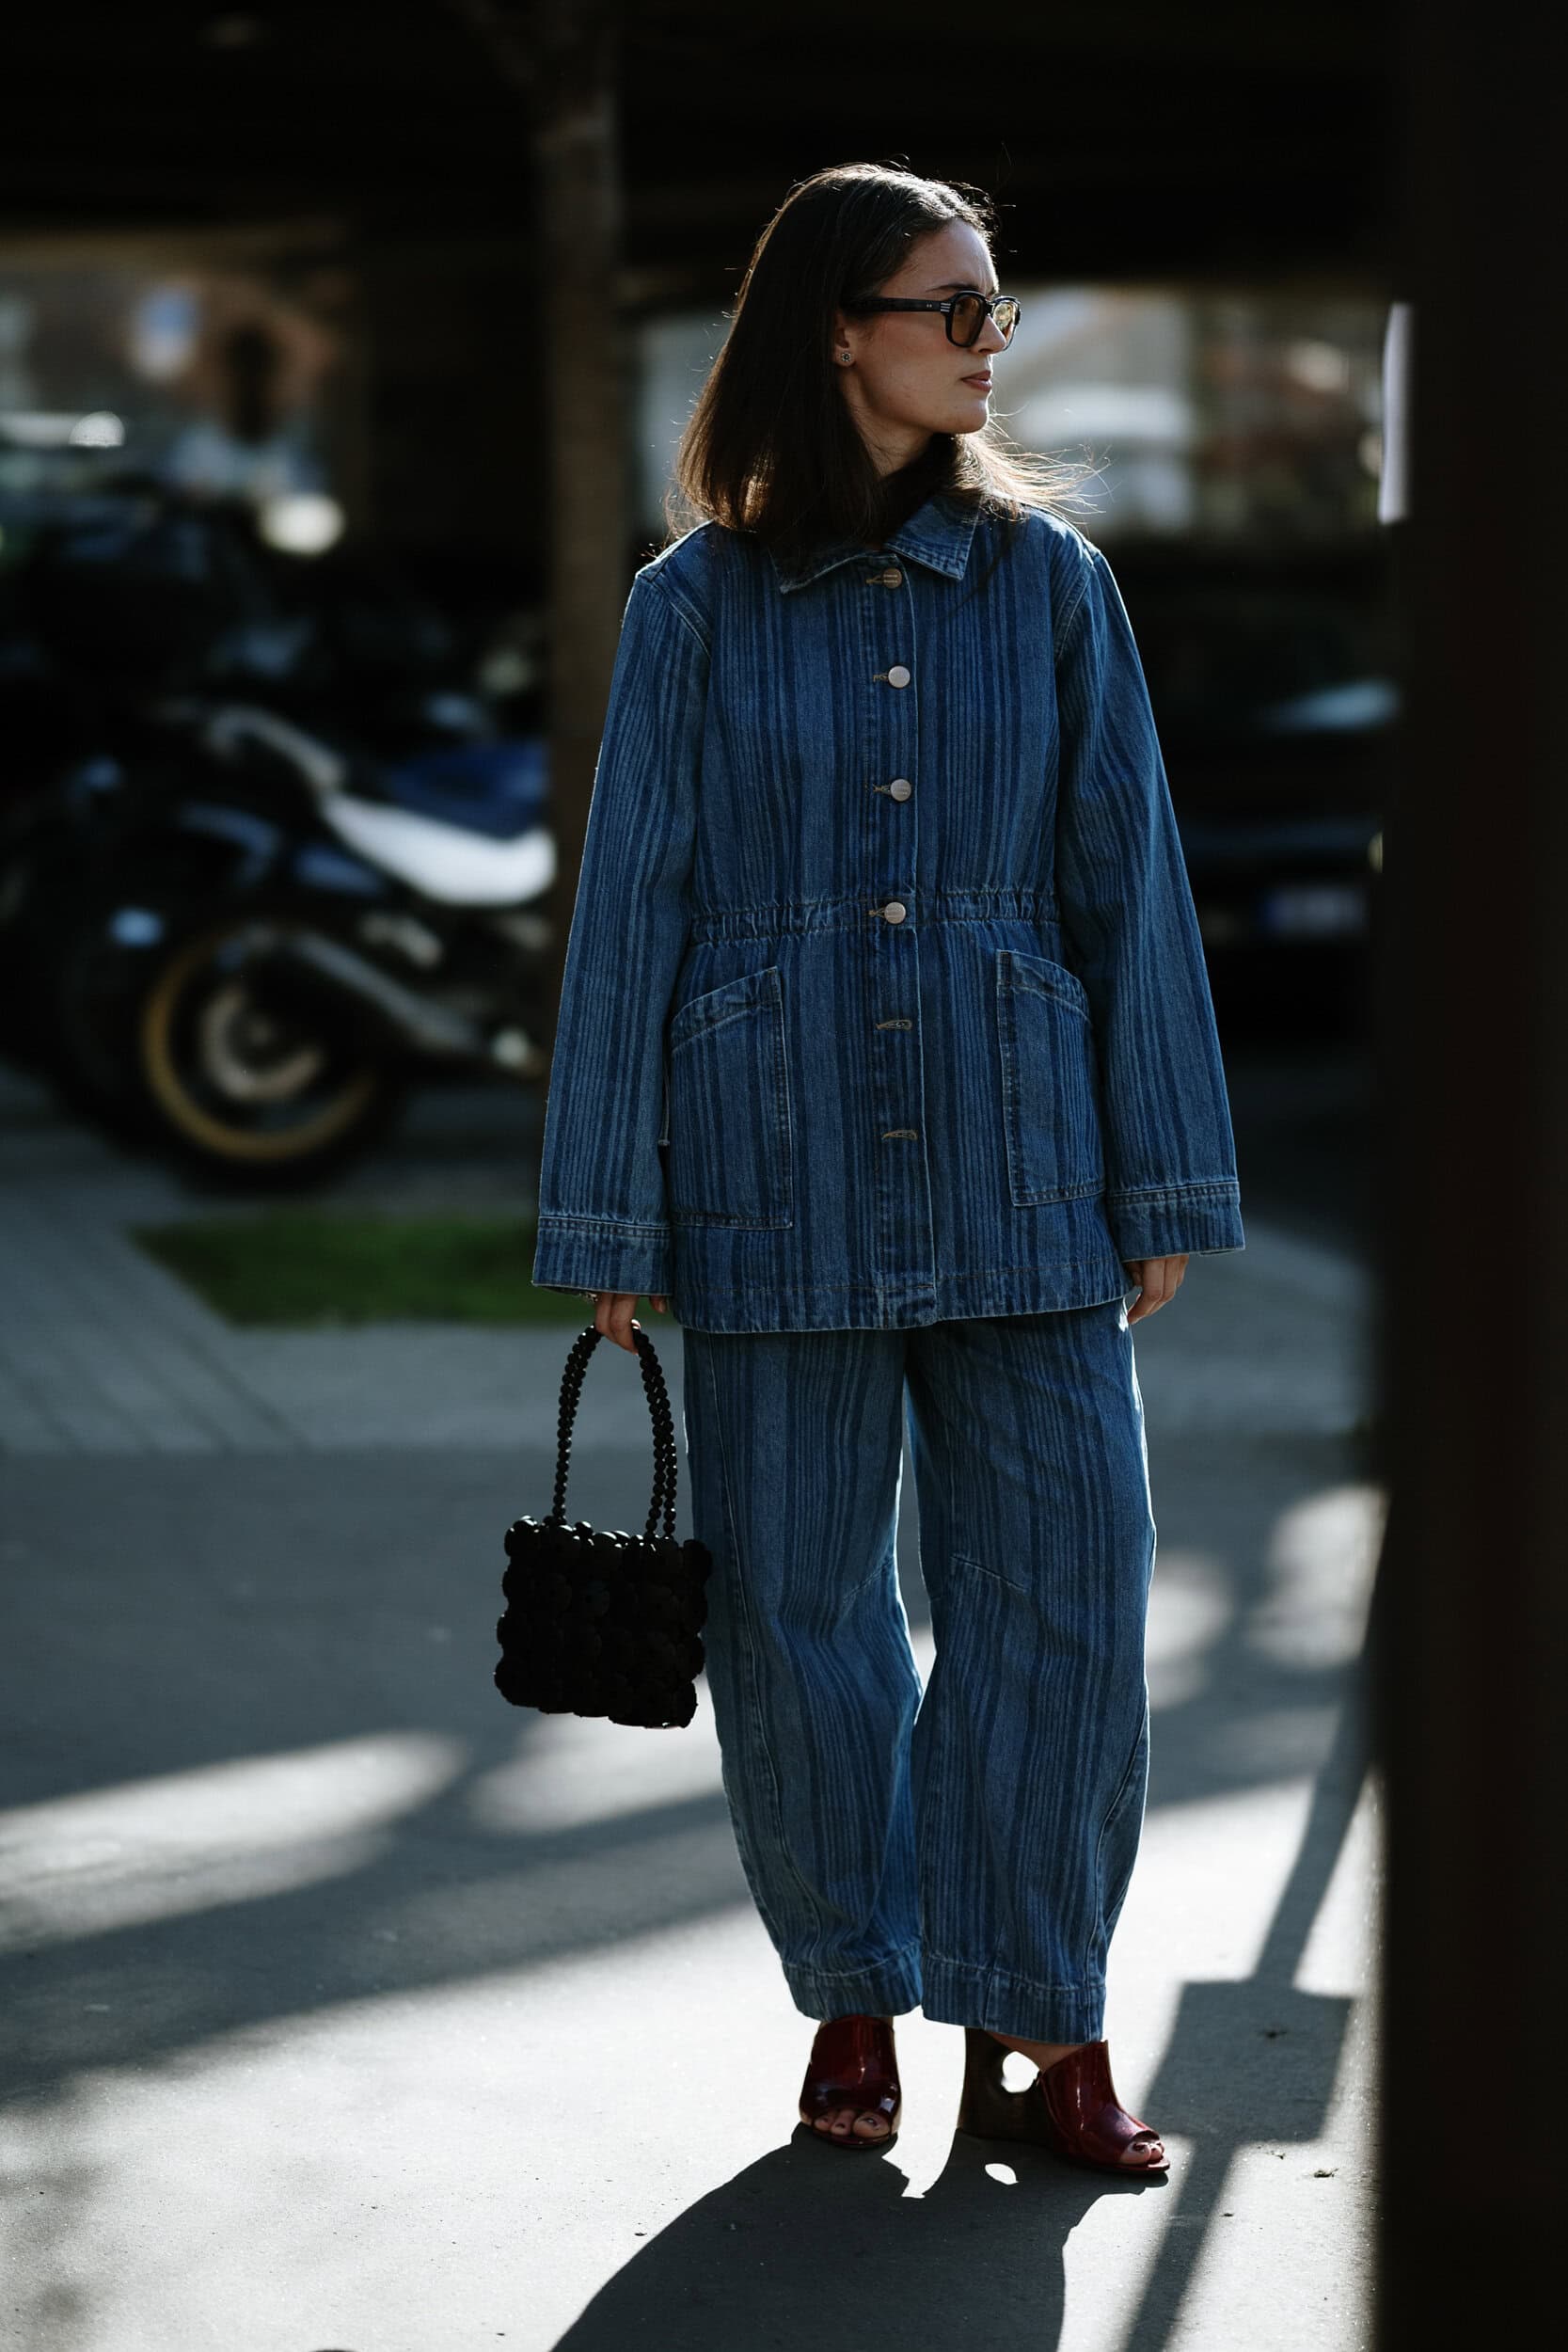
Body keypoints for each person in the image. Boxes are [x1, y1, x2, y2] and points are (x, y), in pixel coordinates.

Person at [531, 163, 1245, 2175]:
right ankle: (856, 1986)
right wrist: (610, 1216)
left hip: (1029, 1170)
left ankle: (1042, 2015)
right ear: (838, 327)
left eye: (993, 307)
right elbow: (633, 912)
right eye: (953, 304)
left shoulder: (1054, 585)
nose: (985, 339)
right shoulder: (694, 607)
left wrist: (1165, 1175)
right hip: (773, 1176)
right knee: (797, 1610)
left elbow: (1133, 886)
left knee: (1067, 1605)